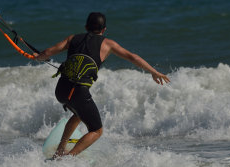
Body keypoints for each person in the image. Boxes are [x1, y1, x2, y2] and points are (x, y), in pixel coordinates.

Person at [35, 12, 170, 159]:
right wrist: (153, 72)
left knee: (78, 114)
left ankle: (60, 151)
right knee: (96, 131)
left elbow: (47, 52)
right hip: (78, 93)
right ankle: (68, 158)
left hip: (61, 90)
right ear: (104, 29)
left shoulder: (72, 38)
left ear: (86, 27)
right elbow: (132, 57)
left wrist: (38, 57)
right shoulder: (108, 44)